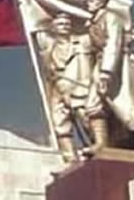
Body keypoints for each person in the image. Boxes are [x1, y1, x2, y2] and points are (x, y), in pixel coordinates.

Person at [83, 0, 134, 154]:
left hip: (117, 66)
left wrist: (106, 73)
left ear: (102, 2)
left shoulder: (111, 18)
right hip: (101, 64)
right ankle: (101, 143)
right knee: (92, 105)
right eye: (88, 1)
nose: (89, 3)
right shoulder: (91, 23)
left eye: (93, 0)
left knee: (130, 110)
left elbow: (113, 44)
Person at [36, 12, 103, 163]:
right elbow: (36, 29)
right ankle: (69, 157)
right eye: (60, 24)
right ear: (53, 28)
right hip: (58, 89)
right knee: (60, 123)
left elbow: (100, 45)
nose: (64, 26)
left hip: (80, 86)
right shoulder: (48, 46)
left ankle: (100, 145)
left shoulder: (83, 41)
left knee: (86, 119)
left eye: (67, 24)